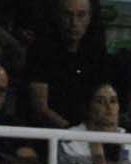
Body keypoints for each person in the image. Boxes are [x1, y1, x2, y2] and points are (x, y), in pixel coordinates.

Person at [21, 0, 112, 130]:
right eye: (67, 15)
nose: (74, 23)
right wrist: (73, 133)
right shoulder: (40, 51)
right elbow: (40, 109)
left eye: (81, 15)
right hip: (50, 133)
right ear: (57, 16)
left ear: (90, 17)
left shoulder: (96, 53)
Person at [56, 81, 131, 164]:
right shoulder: (70, 140)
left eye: (113, 101)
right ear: (87, 108)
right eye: (100, 102)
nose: (109, 108)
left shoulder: (124, 136)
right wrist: (95, 144)